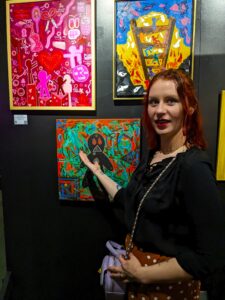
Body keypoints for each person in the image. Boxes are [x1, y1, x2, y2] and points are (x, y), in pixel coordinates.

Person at [79, 68, 225, 300]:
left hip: (166, 290)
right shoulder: (152, 157)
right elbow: (128, 199)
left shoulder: (193, 167)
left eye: (171, 101)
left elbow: (210, 257)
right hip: (136, 285)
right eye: (153, 102)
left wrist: (144, 274)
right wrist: (98, 172)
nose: (160, 111)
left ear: (189, 107)